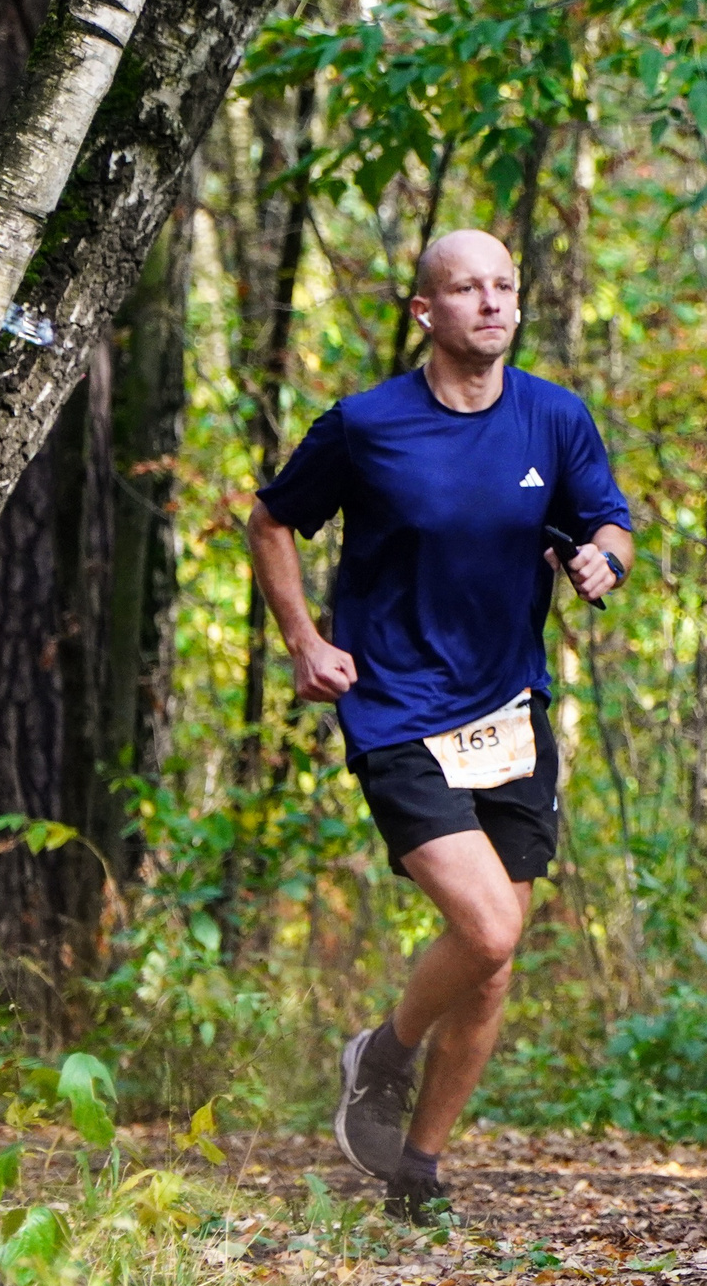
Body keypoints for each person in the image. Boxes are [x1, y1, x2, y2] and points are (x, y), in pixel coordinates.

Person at [248, 229, 633, 1222]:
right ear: (426, 311)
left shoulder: (554, 417)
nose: (493, 303)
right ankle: (381, 1054)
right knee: (489, 926)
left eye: (505, 286)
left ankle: (416, 1172)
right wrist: (303, 640)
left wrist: (605, 558)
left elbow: (608, 518)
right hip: (397, 708)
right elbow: (272, 519)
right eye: (468, 289)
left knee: (492, 966)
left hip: (510, 708)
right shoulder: (367, 425)